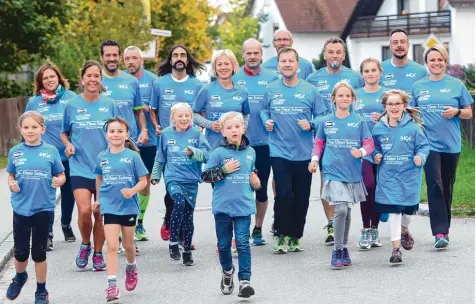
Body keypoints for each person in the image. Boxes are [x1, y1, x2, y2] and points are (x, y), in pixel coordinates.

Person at [260, 47, 327, 253]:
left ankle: (296, 235)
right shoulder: (271, 89)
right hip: (279, 151)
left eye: (291, 61)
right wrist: (267, 121)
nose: (287, 64)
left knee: (301, 197)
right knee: (283, 194)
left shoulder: (310, 90)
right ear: (278, 65)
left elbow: (323, 116)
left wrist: (312, 124)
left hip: (304, 154)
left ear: (298, 65)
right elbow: (263, 110)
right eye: (283, 61)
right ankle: (281, 234)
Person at [411, 45, 474, 248]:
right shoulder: (418, 86)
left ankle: (443, 228)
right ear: (426, 63)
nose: (436, 63)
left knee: (446, 185)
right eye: (432, 60)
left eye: (440, 60)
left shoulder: (456, 85)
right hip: (427, 144)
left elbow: (469, 113)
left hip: (451, 145)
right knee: (434, 183)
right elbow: (411, 113)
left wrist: (456, 112)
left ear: (445, 62)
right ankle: (439, 232)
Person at [61, 60, 120, 271]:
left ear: (101, 79)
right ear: (82, 79)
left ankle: (97, 253)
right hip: (79, 166)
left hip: (105, 169)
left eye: (96, 76)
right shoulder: (71, 105)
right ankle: (85, 244)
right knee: (85, 210)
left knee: (100, 213)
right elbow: (63, 132)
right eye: (89, 76)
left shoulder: (110, 104)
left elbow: (118, 131)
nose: (93, 79)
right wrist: (68, 144)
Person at [309, 81, 374, 270]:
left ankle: (344, 247)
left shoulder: (359, 121)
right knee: (341, 209)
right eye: (340, 95)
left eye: (348, 96)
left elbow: (369, 144)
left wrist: (361, 152)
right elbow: (319, 143)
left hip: (352, 172)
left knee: (347, 210)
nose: (344, 99)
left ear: (353, 99)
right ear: (334, 99)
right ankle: (337, 250)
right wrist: (314, 160)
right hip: (332, 170)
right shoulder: (326, 121)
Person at [306, 37, 364, 244]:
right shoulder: (313, 79)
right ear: (325, 55)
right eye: (331, 52)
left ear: (344, 55)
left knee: (351, 181)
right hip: (327, 139)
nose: (334, 56)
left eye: (338, 52)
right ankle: (332, 222)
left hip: (350, 140)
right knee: (327, 182)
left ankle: (350, 219)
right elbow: (309, 107)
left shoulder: (355, 77)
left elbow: (361, 102)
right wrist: (313, 123)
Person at [6, 111, 66, 304]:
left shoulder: (51, 151)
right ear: (20, 130)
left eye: (34, 127)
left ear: (42, 129)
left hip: (43, 207)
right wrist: (11, 183)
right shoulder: (15, 152)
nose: (30, 131)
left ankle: (41, 290)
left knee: (38, 252)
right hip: (21, 207)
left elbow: (61, 175)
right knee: (21, 252)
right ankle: (20, 276)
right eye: (26, 127)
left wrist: (59, 180)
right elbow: (10, 175)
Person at [202, 111, 261, 298]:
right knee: (224, 244)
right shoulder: (218, 153)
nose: (234, 130)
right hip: (223, 208)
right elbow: (205, 176)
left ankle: (245, 281)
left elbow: (253, 177)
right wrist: (223, 170)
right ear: (223, 132)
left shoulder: (251, 152)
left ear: (244, 128)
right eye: (229, 128)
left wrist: (256, 184)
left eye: (237, 126)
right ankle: (227, 272)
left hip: (244, 206)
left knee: (243, 243)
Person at [151, 44, 205, 241]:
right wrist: (157, 126)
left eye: (183, 55)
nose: (179, 58)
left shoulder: (198, 85)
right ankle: (169, 219)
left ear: (188, 59)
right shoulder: (159, 84)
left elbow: (201, 113)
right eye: (175, 55)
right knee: (172, 190)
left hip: (190, 143)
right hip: (169, 143)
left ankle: (183, 233)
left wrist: (200, 130)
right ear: (171, 59)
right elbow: (153, 109)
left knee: (185, 194)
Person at [93, 117, 148, 302]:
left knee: (128, 245)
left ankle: (131, 266)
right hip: (109, 206)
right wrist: (98, 199)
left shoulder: (133, 157)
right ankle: (112, 286)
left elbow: (143, 181)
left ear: (126, 135)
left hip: (129, 207)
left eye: (119, 131)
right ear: (106, 134)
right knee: (112, 246)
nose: (115, 134)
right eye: (112, 131)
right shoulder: (102, 157)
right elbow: (99, 178)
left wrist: (132, 190)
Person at [373, 90, 429, 264]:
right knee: (394, 212)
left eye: (398, 103)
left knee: (408, 213)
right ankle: (396, 249)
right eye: (390, 104)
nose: (394, 107)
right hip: (388, 177)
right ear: (385, 107)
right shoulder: (378, 128)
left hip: (409, 176)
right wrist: (375, 155)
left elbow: (423, 147)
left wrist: (420, 157)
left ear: (404, 105)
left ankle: (405, 229)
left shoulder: (413, 127)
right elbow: (373, 148)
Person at [151, 103, 211, 266]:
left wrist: (194, 153)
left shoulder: (197, 133)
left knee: (188, 215)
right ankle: (173, 242)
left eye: (187, 116)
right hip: (173, 177)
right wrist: (156, 175)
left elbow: (208, 155)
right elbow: (160, 157)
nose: (184, 119)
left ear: (191, 118)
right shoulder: (166, 134)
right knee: (178, 203)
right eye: (180, 116)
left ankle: (187, 251)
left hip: (191, 179)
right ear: (172, 118)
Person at [232, 38, 279, 246]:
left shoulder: (272, 78)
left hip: (265, 143)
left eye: (256, 53)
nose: (252, 57)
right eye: (248, 53)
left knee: (260, 188)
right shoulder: (233, 78)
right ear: (243, 55)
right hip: (238, 144)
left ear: (261, 55)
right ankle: (238, 230)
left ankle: (258, 228)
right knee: (239, 188)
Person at [25, 62, 77, 247]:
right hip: (43, 157)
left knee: (68, 193)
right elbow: (27, 128)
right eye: (45, 78)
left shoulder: (71, 98)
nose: (49, 80)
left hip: (68, 156)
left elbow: (77, 125)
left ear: (58, 77)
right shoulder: (34, 102)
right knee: (46, 195)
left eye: (52, 76)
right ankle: (47, 234)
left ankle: (65, 223)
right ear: (40, 81)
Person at [123, 45, 159, 241]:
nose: (130, 62)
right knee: (126, 182)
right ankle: (125, 222)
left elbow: (159, 107)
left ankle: (140, 222)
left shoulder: (153, 80)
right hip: (124, 142)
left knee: (144, 183)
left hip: (149, 140)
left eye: (134, 58)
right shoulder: (119, 80)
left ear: (141, 60)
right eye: (127, 58)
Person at [354, 58, 389, 249]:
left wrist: (383, 118)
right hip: (364, 150)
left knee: (379, 190)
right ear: (362, 74)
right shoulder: (355, 95)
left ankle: (374, 229)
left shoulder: (387, 94)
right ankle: (365, 229)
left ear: (380, 72)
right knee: (368, 186)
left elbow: (398, 117)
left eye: (373, 70)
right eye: (366, 71)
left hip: (384, 149)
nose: (370, 74)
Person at [100, 40, 148, 145]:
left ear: (120, 57)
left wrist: (144, 130)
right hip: (103, 143)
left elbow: (138, 111)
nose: (111, 59)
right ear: (102, 57)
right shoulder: (96, 81)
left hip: (129, 142)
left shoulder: (132, 81)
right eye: (108, 55)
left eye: (115, 55)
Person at [380, 29, 427, 97]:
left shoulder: (421, 71)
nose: (399, 45)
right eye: (395, 42)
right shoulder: (379, 69)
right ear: (390, 46)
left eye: (402, 42)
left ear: (408, 45)